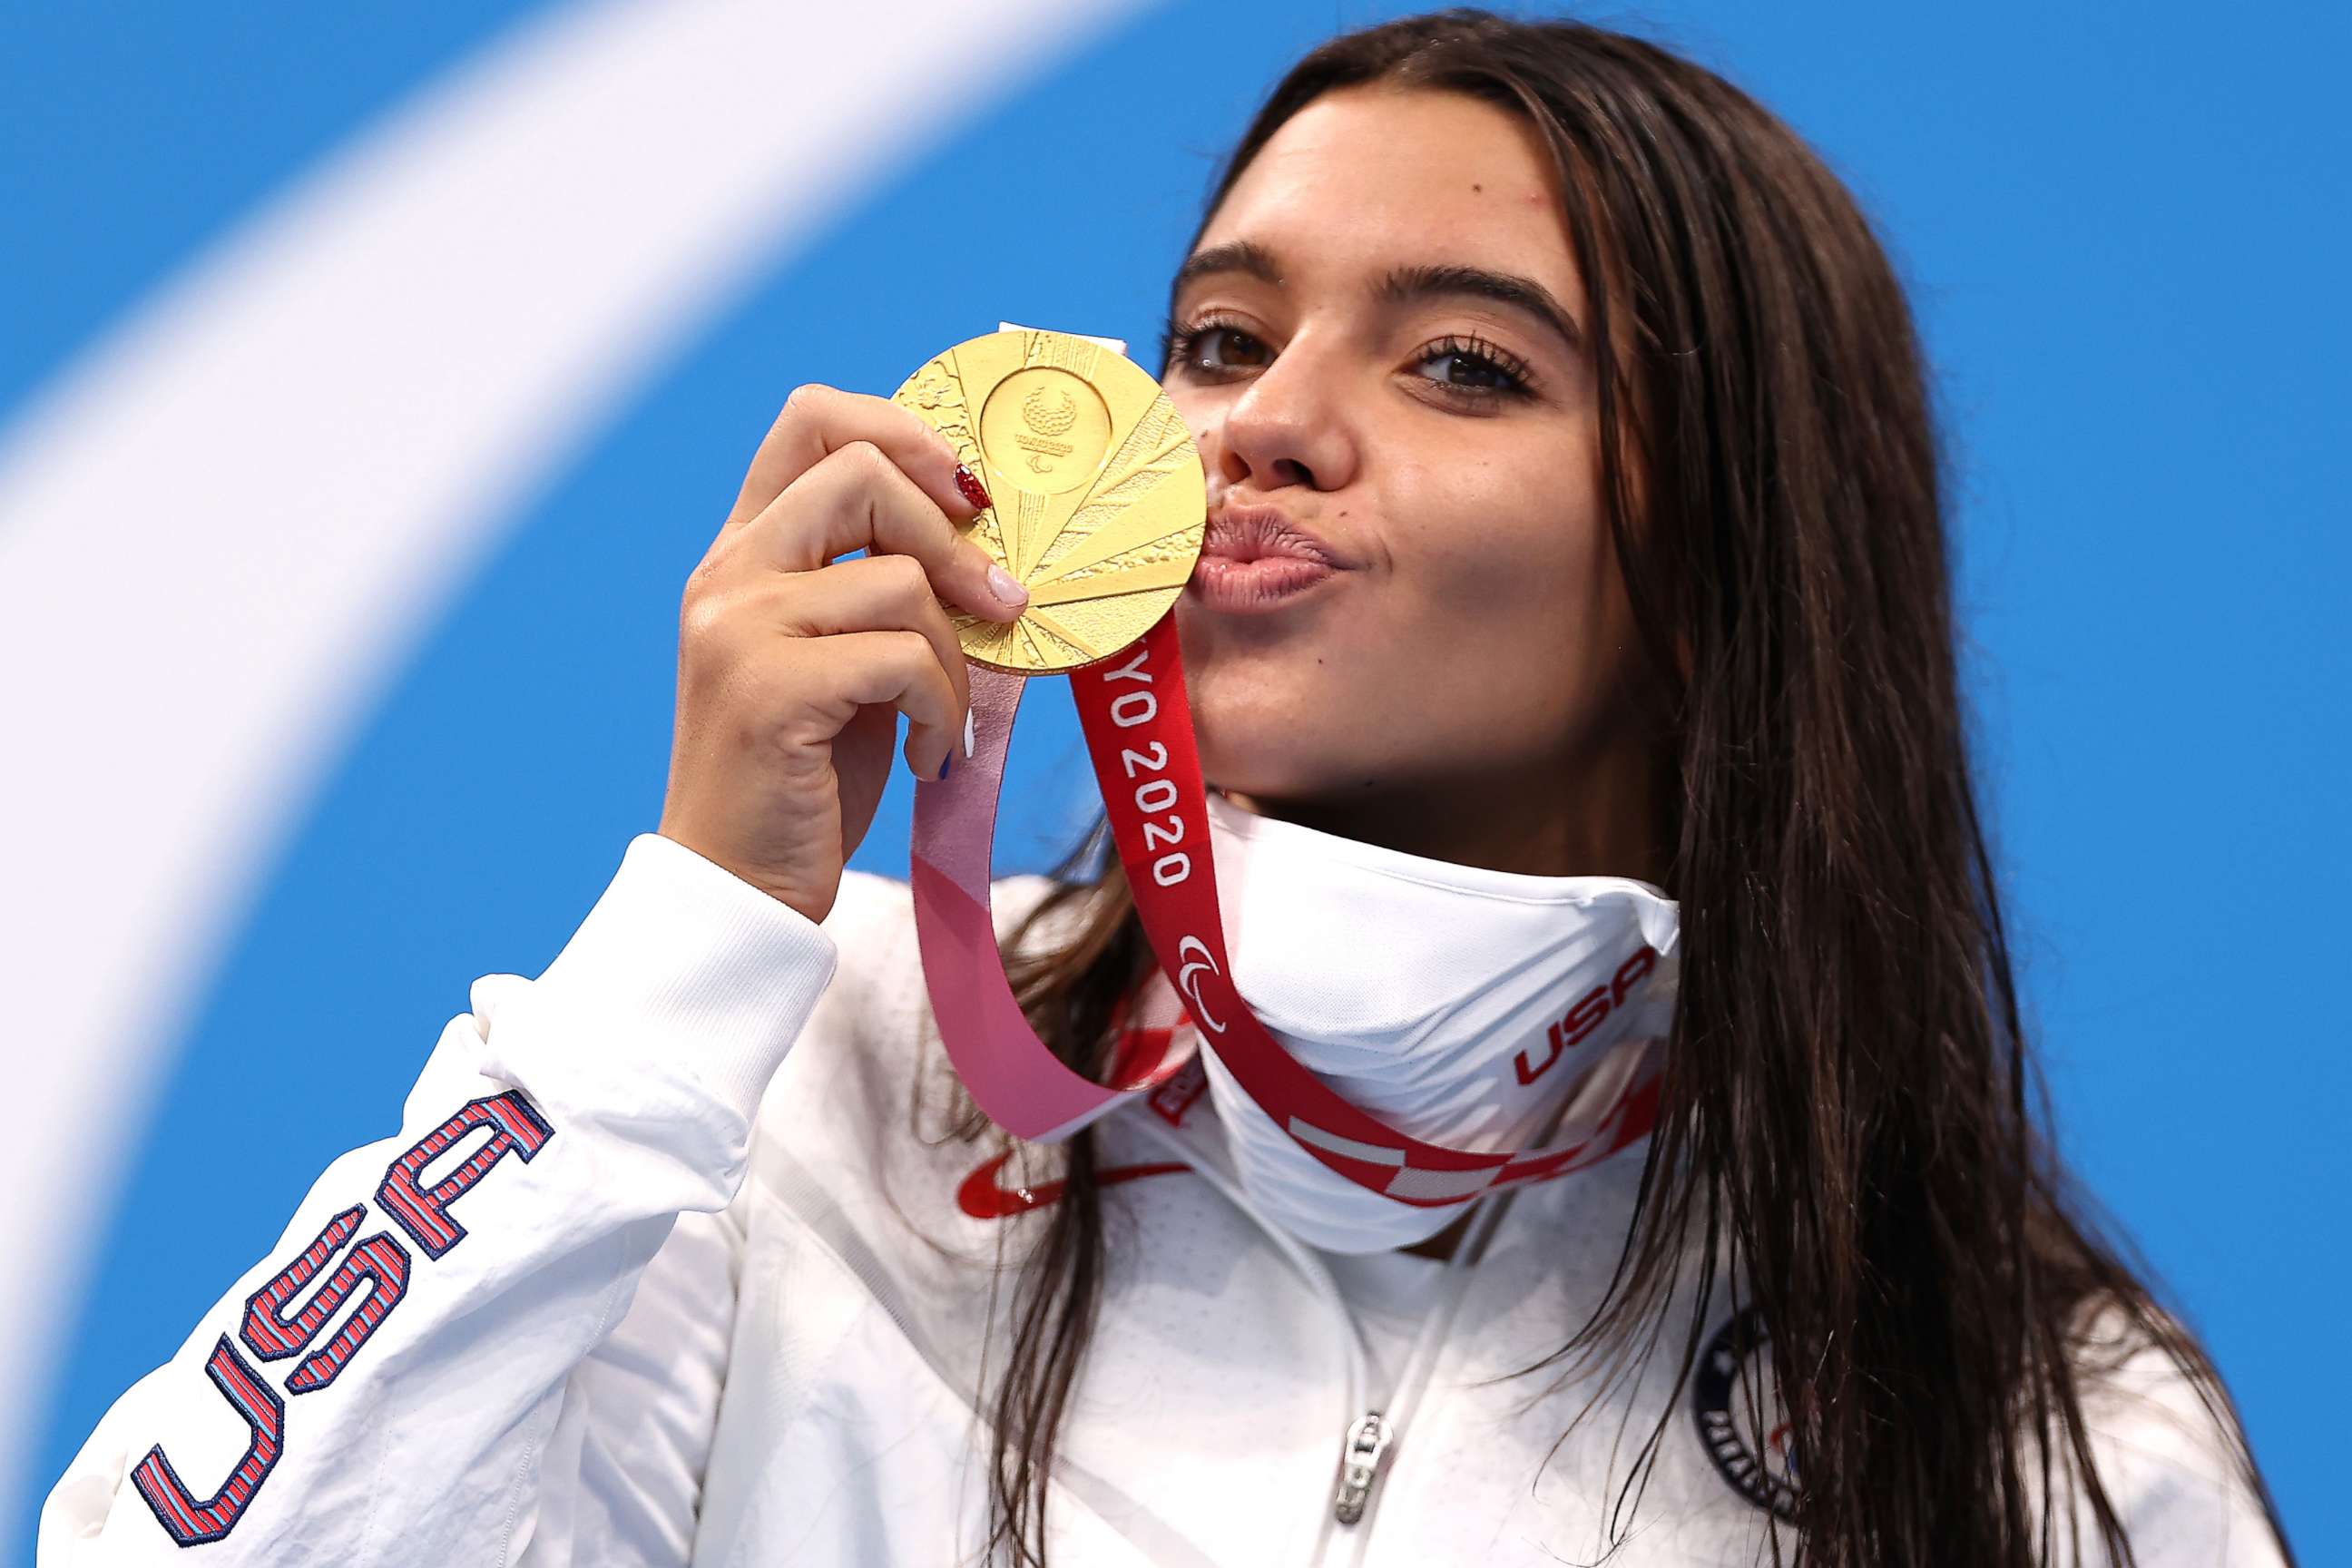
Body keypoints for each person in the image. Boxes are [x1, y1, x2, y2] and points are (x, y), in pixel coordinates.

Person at [39, 9, 2293, 1566]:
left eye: (1463, 364)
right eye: (1224, 337)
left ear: (1726, 558)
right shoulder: (808, 1085)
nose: (1256, 423)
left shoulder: (2032, 1423)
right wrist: (697, 935)